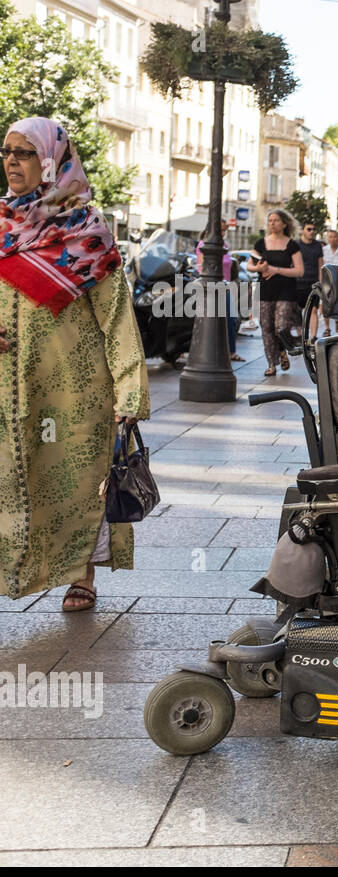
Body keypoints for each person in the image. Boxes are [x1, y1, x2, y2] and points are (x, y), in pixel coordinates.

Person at [0, 117, 150, 611]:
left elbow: (116, 317)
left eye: (23, 153)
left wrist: (129, 391)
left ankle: (82, 574)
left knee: (76, 485)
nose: (11, 162)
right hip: (7, 383)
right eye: (6, 152)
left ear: (50, 162)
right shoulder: (1, 224)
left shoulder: (86, 230)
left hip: (74, 387)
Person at [247, 209, 303, 376]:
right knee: (267, 328)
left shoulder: (292, 245)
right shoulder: (260, 243)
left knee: (282, 326)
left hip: (286, 291)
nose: (272, 223)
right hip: (265, 290)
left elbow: (299, 271)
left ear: (284, 224)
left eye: (276, 220)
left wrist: (276, 269)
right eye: (270, 220)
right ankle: (272, 363)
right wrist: (259, 268)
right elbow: (249, 265)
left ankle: (286, 347)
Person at [196, 221, 243, 362]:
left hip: (225, 286)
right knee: (213, 321)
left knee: (231, 320)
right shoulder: (203, 245)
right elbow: (200, 266)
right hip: (211, 287)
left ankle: (231, 352)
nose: (222, 233)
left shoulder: (224, 245)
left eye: (224, 231)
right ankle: (214, 352)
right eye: (220, 230)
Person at [317, 228, 338, 337]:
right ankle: (327, 328)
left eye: (334, 237)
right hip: (326, 281)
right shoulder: (323, 250)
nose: (332, 239)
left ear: (337, 237)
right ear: (327, 238)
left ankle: (337, 319)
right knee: (325, 305)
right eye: (330, 237)